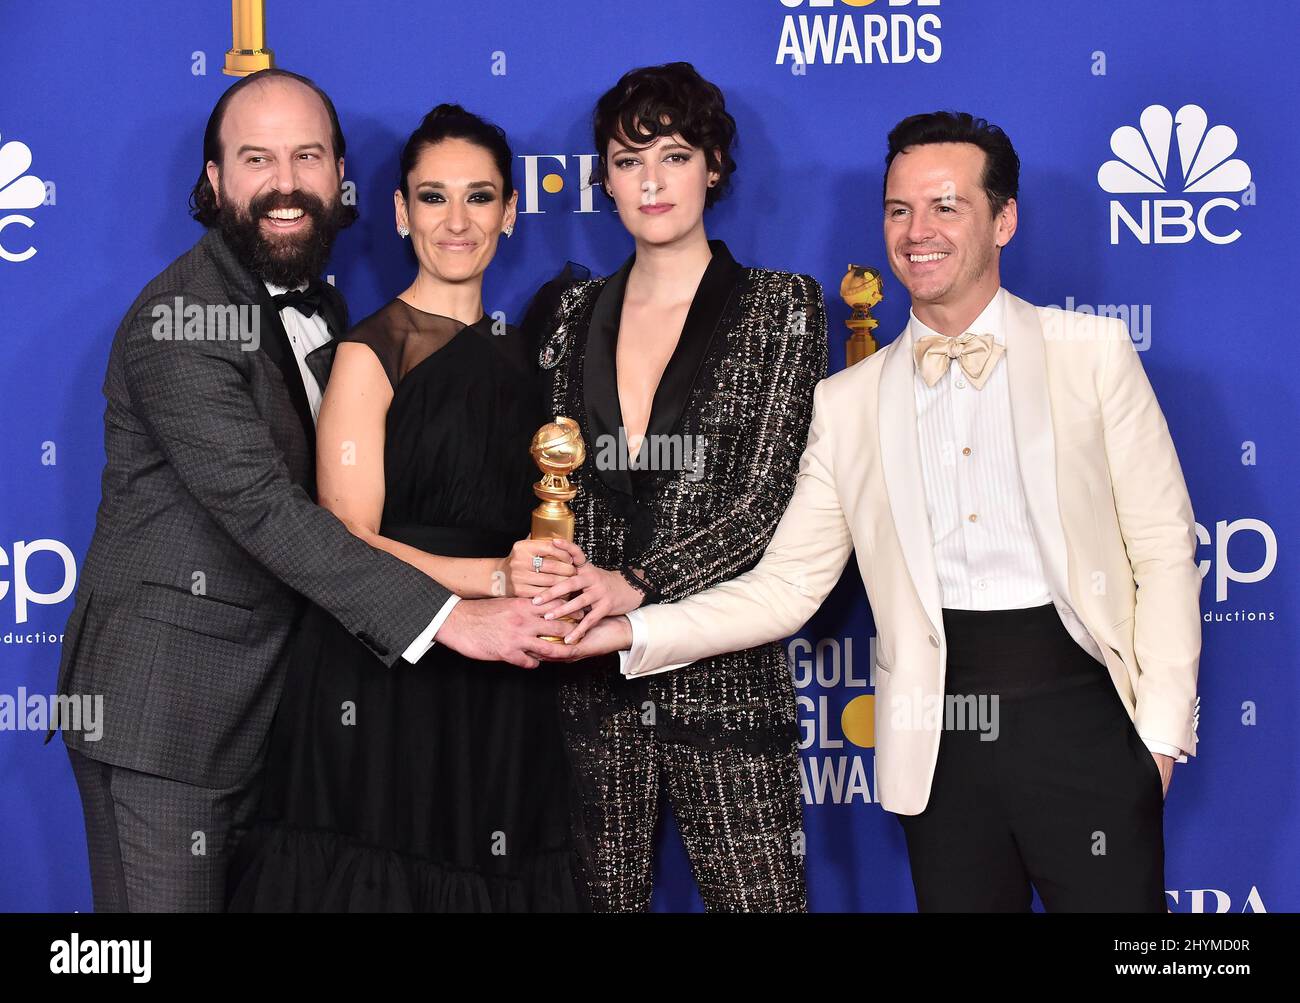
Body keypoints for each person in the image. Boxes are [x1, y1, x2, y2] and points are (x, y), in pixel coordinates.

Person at [553, 111, 1201, 912]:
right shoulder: (848, 402)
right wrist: (629, 628)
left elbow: (1165, 550)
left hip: (1089, 725)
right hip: (936, 747)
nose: (917, 231)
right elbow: (786, 589)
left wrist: (1160, 741)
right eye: (899, 210)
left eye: (945, 206)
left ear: (1004, 219)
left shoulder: (1092, 354)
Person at [52, 71, 569, 913]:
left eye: (307, 156)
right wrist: (459, 610)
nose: (285, 183)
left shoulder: (323, 305)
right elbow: (268, 512)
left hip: (282, 714)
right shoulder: (178, 321)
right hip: (166, 716)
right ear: (215, 181)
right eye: (256, 159)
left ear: (339, 177)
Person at [225, 104, 586, 912]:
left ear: (511, 209)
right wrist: (494, 578)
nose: (456, 221)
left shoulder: (536, 353)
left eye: (479, 197)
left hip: (507, 682)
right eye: (432, 197)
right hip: (386, 675)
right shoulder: (367, 351)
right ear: (398, 211)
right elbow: (345, 535)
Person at [522, 62, 827, 912]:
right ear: (605, 182)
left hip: (726, 687)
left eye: (675, 154)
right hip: (593, 689)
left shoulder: (782, 307)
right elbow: (561, 488)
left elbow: (761, 496)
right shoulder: (574, 311)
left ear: (714, 167)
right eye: (627, 161)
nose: (651, 180)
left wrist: (638, 584)